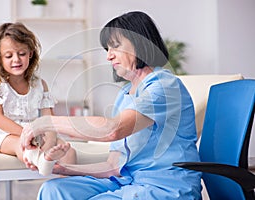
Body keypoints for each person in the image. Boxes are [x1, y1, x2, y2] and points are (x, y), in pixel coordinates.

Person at [21, 11, 202, 199]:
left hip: (164, 186)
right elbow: (112, 166)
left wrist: (45, 122)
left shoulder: (164, 86)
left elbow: (112, 129)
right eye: (107, 49)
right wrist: (63, 168)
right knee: (54, 189)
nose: (109, 57)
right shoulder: (125, 95)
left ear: (140, 43)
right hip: (127, 181)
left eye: (115, 47)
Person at [0, 22, 76, 176]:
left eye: (21, 53)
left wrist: (48, 143)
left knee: (69, 152)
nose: (16, 59)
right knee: (21, 146)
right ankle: (43, 162)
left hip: (35, 134)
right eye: (9, 56)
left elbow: (48, 120)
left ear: (30, 53)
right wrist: (28, 134)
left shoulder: (40, 84)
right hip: (3, 134)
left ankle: (64, 189)